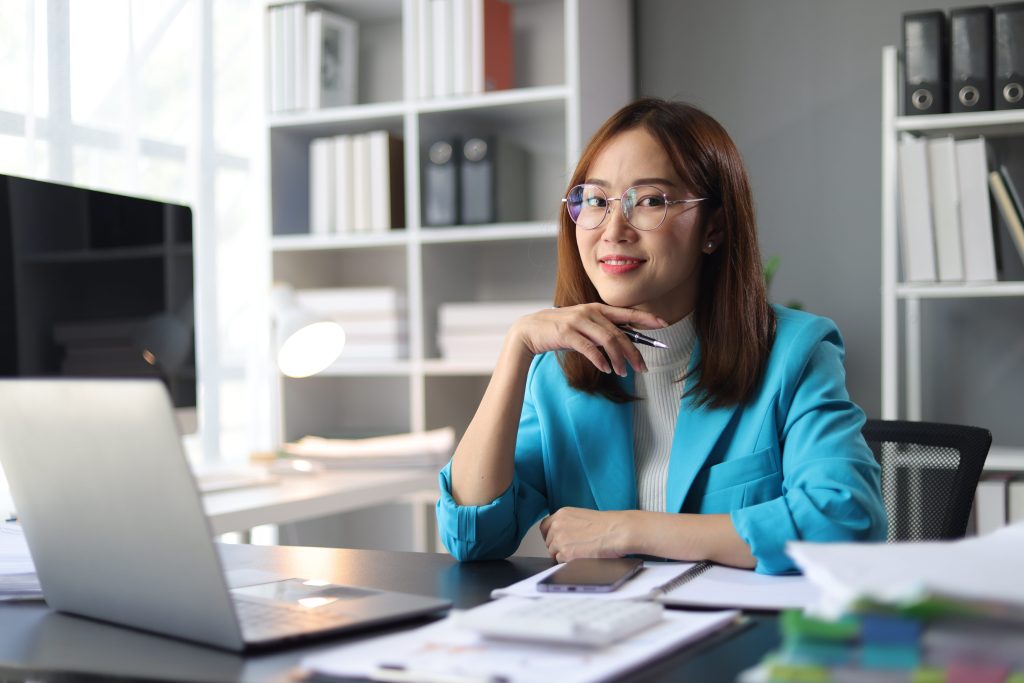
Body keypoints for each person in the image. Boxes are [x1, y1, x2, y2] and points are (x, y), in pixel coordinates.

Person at [435, 98, 887, 574]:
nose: (613, 230)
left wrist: (630, 531)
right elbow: (472, 534)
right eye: (596, 201)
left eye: (650, 200)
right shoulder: (557, 371)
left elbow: (845, 520)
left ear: (713, 227)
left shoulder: (795, 352)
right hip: (604, 620)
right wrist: (517, 348)